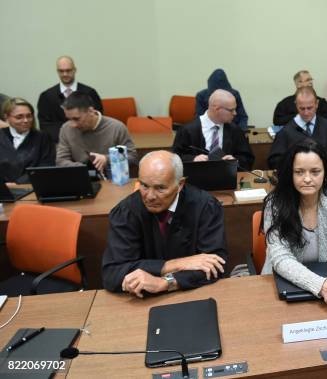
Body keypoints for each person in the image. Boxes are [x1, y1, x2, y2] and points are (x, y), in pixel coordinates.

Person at [102, 151, 228, 296]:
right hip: (141, 299)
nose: (149, 196)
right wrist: (175, 264)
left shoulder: (205, 206)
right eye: (144, 185)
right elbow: (112, 274)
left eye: (160, 188)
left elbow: (215, 265)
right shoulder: (126, 212)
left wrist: (166, 282)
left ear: (180, 184)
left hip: (193, 294)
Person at [261, 140, 327, 307]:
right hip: (283, 284)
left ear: (325, 172)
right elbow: (281, 258)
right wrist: (321, 286)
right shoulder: (275, 203)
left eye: (315, 172)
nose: (307, 179)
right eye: (299, 172)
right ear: (290, 173)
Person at [56, 92, 137, 176]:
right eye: (69, 119)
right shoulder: (66, 129)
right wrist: (84, 169)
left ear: (91, 111)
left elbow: (132, 157)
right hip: (82, 178)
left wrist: (107, 159)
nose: (73, 125)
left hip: (112, 179)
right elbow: (61, 160)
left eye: (76, 119)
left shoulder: (116, 127)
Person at [268, 87, 327, 170]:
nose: (306, 113)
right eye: (302, 108)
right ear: (296, 105)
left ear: (317, 104)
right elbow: (274, 162)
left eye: (310, 108)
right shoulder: (286, 132)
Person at [173, 89, 254, 171]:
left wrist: (235, 160)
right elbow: (175, 159)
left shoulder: (235, 130)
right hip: (196, 179)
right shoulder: (187, 130)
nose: (235, 113)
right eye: (231, 110)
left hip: (226, 178)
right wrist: (193, 159)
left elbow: (247, 158)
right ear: (217, 109)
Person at [37, 56, 103, 143]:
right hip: (59, 142)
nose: (65, 74)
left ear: (74, 70)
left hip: (88, 140)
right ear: (57, 71)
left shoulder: (90, 92)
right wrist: (67, 136)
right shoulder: (46, 97)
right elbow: (45, 126)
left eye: (68, 70)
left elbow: (97, 119)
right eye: (61, 71)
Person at [0, 98, 55, 184]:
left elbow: (45, 167)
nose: (26, 120)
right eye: (19, 117)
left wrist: (18, 183)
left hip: (33, 187)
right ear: (6, 117)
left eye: (29, 116)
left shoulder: (42, 138)